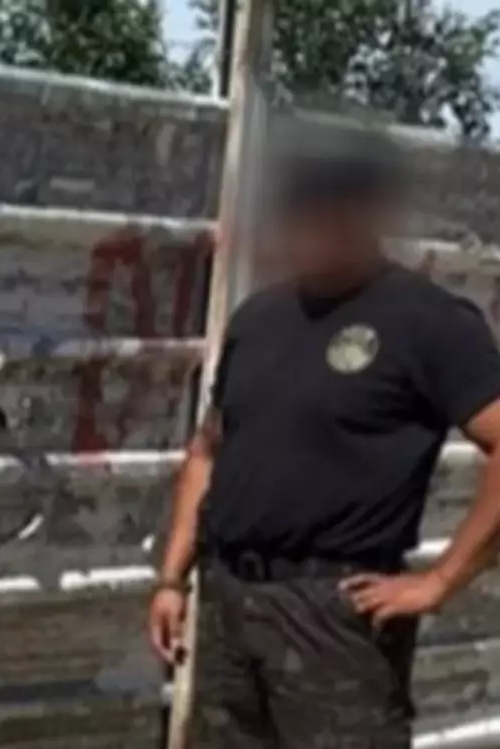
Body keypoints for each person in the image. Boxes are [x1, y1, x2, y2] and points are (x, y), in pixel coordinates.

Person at [147, 122, 500, 748]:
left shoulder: (427, 321)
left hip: (334, 616)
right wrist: (173, 578)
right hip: (229, 600)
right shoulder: (259, 318)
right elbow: (208, 450)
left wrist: (441, 581)